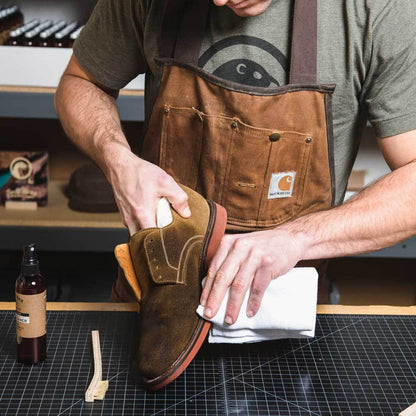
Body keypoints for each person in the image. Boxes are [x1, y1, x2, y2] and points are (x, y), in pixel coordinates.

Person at [55, 0, 416, 326]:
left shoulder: (376, 9)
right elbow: (81, 82)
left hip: (283, 308)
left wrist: (298, 238)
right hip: (155, 297)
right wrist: (119, 162)